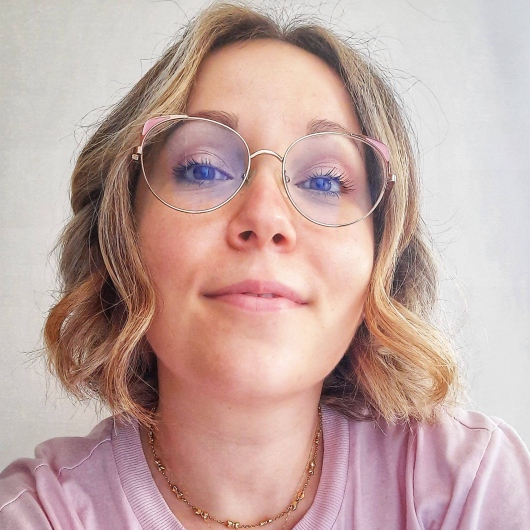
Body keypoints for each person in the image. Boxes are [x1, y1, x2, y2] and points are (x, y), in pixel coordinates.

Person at [1, 2, 529, 529]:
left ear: (383, 255)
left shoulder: (469, 487)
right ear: (121, 232)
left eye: (324, 181)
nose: (266, 216)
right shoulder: (37, 515)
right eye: (203, 169)